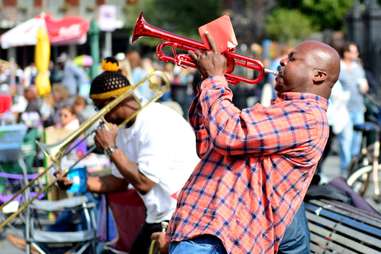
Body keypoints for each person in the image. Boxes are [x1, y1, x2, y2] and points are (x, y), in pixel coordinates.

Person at [154, 36, 340, 253]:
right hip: (201, 229)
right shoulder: (276, 110)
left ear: (318, 75)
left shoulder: (308, 117)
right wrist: (206, 80)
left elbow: (230, 135)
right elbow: (207, 142)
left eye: (292, 59)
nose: (281, 61)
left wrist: (215, 79)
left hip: (221, 239)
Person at [57, 57, 199, 254]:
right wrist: (75, 181)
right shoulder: (123, 130)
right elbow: (118, 182)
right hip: (158, 216)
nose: (99, 115)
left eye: (99, 107)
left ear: (114, 102)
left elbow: (144, 182)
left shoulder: (154, 122)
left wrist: (110, 148)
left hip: (180, 215)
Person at [339, 42, 368, 159]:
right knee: (346, 140)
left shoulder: (358, 68)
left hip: (358, 108)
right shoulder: (340, 67)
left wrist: (364, 87)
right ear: (345, 53)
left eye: (356, 52)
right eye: (353, 52)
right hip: (343, 110)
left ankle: (353, 168)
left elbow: (365, 86)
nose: (356, 54)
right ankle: (345, 168)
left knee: (357, 140)